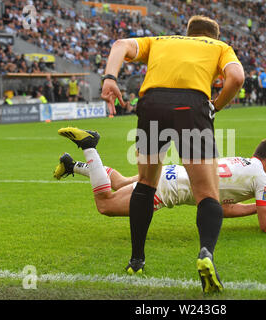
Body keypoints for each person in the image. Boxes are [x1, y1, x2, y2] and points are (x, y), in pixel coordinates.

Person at [88, 15, 244, 293]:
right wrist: (216, 106)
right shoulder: (219, 47)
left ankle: (136, 260)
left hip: (152, 104)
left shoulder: (159, 41)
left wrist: (110, 78)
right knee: (207, 193)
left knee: (146, 183)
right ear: (212, 36)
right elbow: (237, 78)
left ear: (187, 32)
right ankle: (206, 253)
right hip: (192, 105)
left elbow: (120, 44)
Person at [54, 136, 266, 232]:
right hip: (167, 189)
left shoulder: (241, 162)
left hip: (171, 172)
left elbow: (221, 207)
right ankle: (88, 146)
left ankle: (71, 165)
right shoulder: (262, 179)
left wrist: (257, 207)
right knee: (105, 205)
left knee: (117, 182)